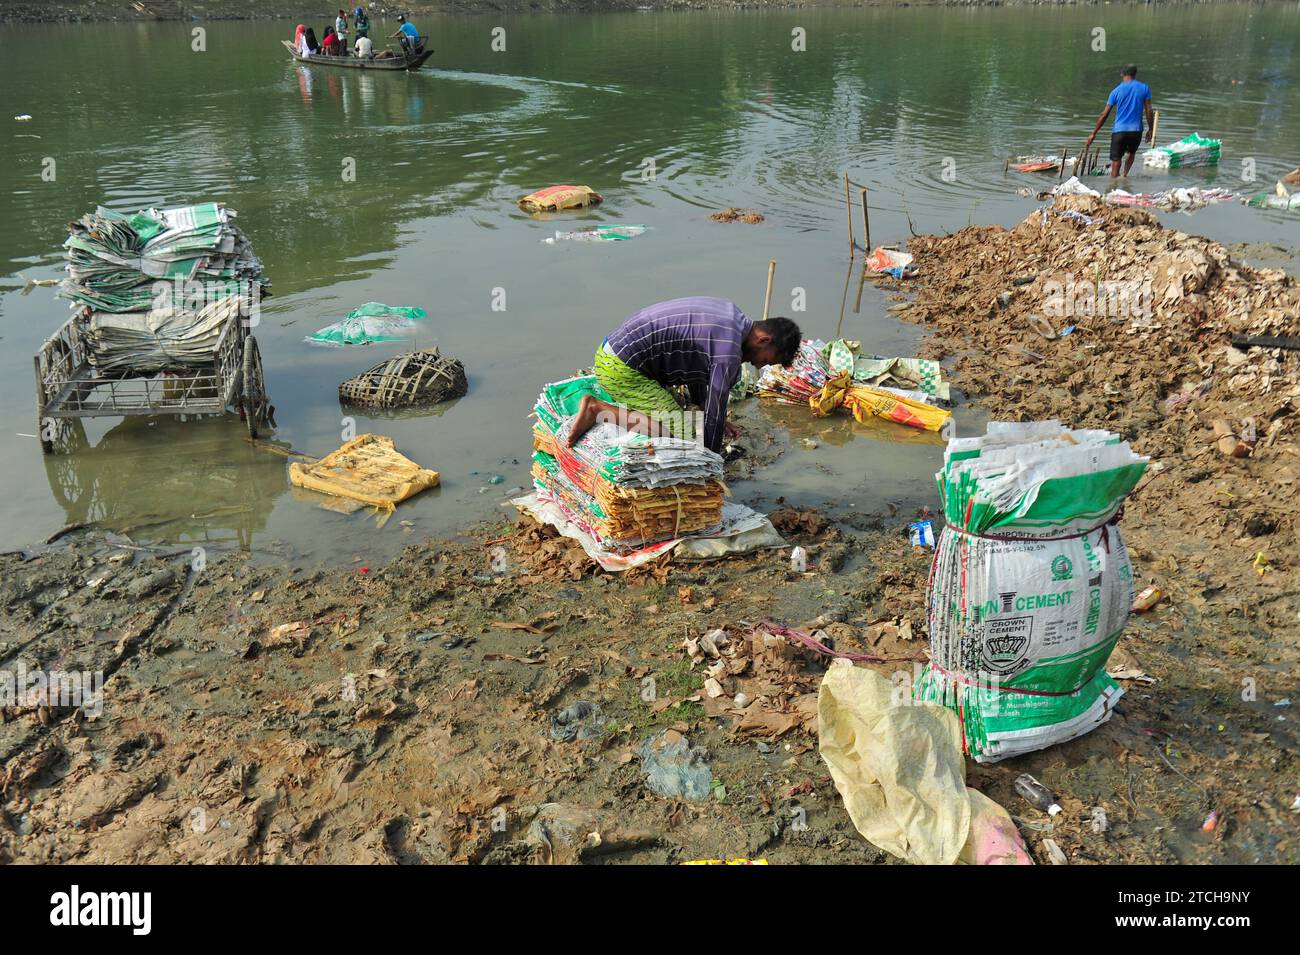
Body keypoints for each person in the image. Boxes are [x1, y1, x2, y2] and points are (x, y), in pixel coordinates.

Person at [567, 297, 801, 454]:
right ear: (764, 340)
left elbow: (697, 367)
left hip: (616, 350)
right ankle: (597, 410)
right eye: (767, 360)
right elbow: (716, 405)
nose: (758, 365)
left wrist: (702, 407)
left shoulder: (732, 315)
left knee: (685, 415)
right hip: (621, 367)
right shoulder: (728, 349)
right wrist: (710, 459)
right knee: (679, 435)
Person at [1084, 64, 1154, 178]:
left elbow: (1104, 114)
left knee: (1116, 159)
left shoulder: (1116, 91)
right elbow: (1149, 111)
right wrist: (1150, 129)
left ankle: (1114, 182)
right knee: (1131, 153)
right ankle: (1125, 176)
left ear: (1122, 74)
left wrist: (1094, 133)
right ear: (1135, 74)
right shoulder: (1144, 88)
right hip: (1136, 130)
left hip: (1119, 130)